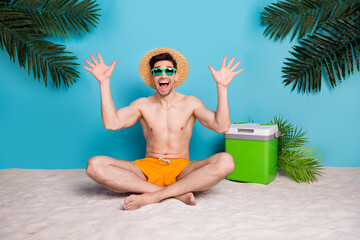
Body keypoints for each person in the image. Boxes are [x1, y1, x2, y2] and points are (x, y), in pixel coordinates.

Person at [83, 48, 243, 211]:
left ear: (176, 75)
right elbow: (112, 123)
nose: (163, 74)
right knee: (94, 165)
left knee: (226, 161)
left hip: (182, 170)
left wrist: (222, 87)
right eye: (157, 71)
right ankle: (174, 193)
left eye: (168, 70)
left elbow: (221, 126)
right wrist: (104, 83)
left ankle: (154, 195)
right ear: (153, 77)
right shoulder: (141, 105)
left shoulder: (191, 103)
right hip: (147, 169)